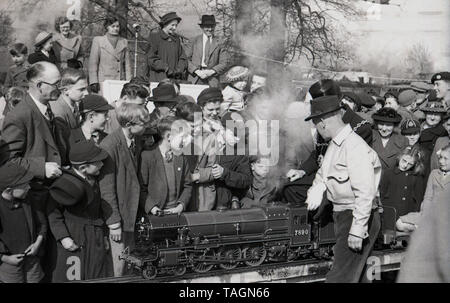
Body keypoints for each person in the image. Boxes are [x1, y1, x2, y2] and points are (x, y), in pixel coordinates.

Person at [304, 95, 381, 283]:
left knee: (340, 277)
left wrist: (357, 228)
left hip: (355, 215)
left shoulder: (354, 146)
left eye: (315, 124)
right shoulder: (337, 144)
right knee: (358, 276)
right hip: (344, 215)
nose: (316, 130)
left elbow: (365, 192)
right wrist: (318, 187)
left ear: (322, 122)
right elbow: (324, 173)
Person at [47, 141, 112, 282]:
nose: (102, 164)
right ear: (83, 167)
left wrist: (104, 235)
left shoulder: (94, 179)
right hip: (74, 234)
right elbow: (53, 213)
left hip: (95, 235)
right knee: (73, 276)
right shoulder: (64, 185)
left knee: (97, 274)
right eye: (98, 162)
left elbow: (98, 211)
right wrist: (63, 237)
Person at [98, 103, 150, 277]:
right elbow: (106, 188)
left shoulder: (135, 140)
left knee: (128, 263)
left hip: (131, 214)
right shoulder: (110, 146)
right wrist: (113, 223)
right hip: (119, 218)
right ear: (129, 125)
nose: (146, 127)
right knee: (118, 266)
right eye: (143, 124)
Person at [0, 162, 47, 283]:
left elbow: (42, 223)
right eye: (24, 185)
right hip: (9, 263)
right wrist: (5, 258)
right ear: (9, 190)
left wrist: (37, 244)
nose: (29, 187)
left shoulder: (28, 199)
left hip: (32, 259)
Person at [140, 117, 192, 216]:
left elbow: (187, 185)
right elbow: (141, 189)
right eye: (182, 137)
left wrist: (181, 206)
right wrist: (153, 208)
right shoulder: (147, 156)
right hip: (155, 214)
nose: (185, 141)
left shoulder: (181, 156)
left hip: (177, 213)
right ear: (169, 136)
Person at [379, 146, 426, 229]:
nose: (405, 165)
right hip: (390, 214)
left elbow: (419, 199)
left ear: (415, 164)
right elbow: (382, 193)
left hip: (408, 213)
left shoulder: (417, 177)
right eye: (404, 161)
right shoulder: (388, 173)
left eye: (410, 164)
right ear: (400, 157)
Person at [88, 16, 132, 93]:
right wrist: (93, 81)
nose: (115, 29)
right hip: (103, 81)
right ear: (107, 27)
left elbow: (127, 65)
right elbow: (93, 63)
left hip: (119, 81)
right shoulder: (98, 40)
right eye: (113, 26)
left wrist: (129, 82)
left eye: (117, 26)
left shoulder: (124, 41)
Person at [187, 15, 229, 87]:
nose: (209, 29)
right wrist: (196, 71)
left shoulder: (220, 42)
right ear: (202, 27)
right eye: (207, 27)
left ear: (215, 27)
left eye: (212, 26)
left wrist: (211, 71)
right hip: (195, 78)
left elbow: (224, 63)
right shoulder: (194, 41)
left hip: (212, 80)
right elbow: (186, 59)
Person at [146, 12, 188, 82]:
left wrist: (179, 69)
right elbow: (151, 58)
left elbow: (182, 57)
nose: (174, 28)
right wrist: (166, 68)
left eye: (176, 25)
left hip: (175, 79)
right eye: (172, 25)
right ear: (165, 24)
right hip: (159, 77)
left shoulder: (176, 39)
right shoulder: (155, 37)